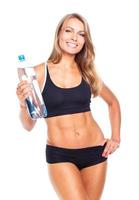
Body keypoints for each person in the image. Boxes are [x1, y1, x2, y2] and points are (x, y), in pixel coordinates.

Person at [16, 13, 121, 200]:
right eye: (69, 31)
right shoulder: (39, 73)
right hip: (61, 156)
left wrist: (115, 137)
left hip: (96, 152)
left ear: (84, 40)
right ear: (58, 35)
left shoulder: (87, 72)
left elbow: (113, 102)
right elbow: (28, 126)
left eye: (81, 34)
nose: (74, 37)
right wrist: (24, 105)